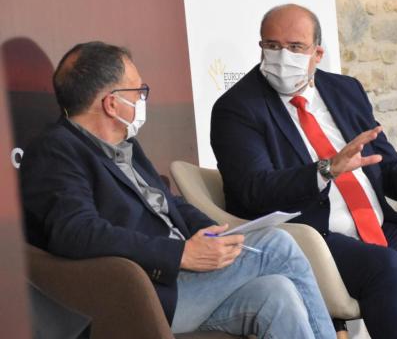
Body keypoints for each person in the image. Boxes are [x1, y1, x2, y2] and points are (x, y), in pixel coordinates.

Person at [19, 41, 336, 339]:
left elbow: (168, 203)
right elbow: (76, 232)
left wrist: (211, 234)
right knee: (277, 243)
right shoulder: (55, 151)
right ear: (112, 103)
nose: (144, 98)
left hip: (183, 282)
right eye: (139, 90)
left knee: (277, 294)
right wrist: (179, 255)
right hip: (145, 290)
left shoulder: (126, 145)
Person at [211, 4, 397, 339]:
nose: (282, 56)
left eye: (295, 47)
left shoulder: (344, 90)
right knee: (388, 267)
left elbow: (382, 160)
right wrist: (325, 170)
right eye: (272, 46)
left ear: (317, 53)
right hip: (309, 237)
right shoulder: (236, 108)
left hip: (374, 225)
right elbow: (254, 190)